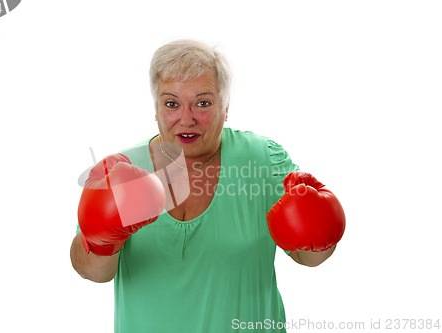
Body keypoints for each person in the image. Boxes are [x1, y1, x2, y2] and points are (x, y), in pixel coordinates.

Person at [70, 39, 345, 333]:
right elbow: (93, 273)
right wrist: (100, 238)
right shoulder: (125, 169)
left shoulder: (260, 159)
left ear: (226, 106)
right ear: (156, 108)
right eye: (171, 103)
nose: (186, 119)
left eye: (203, 103)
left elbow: (310, 256)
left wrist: (320, 226)